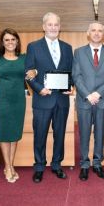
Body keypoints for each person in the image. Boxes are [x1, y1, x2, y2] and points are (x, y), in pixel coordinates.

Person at [25, 12, 73, 183]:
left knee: (59, 134)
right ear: (43, 26)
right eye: (50, 24)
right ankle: (39, 166)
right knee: (40, 134)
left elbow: (71, 72)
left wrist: (71, 86)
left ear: (60, 27)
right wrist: (38, 89)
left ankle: (56, 165)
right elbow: (28, 73)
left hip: (62, 100)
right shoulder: (33, 46)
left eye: (56, 25)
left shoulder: (67, 48)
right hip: (42, 99)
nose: (53, 27)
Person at [72, 21, 104, 181]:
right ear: (88, 33)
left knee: (100, 133)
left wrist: (98, 93)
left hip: (103, 100)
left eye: (100, 31)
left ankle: (97, 163)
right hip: (84, 100)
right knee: (83, 133)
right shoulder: (78, 52)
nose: (97, 33)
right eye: (94, 30)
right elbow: (76, 76)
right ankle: (84, 164)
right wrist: (88, 94)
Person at [0, 28, 26, 183]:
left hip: (18, 100)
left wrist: (34, 72)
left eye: (13, 39)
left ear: (17, 41)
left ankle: (11, 164)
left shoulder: (24, 58)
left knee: (15, 134)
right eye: (7, 40)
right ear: (2, 43)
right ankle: (8, 166)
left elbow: (31, 74)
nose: (10, 42)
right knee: (3, 134)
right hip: (1, 100)